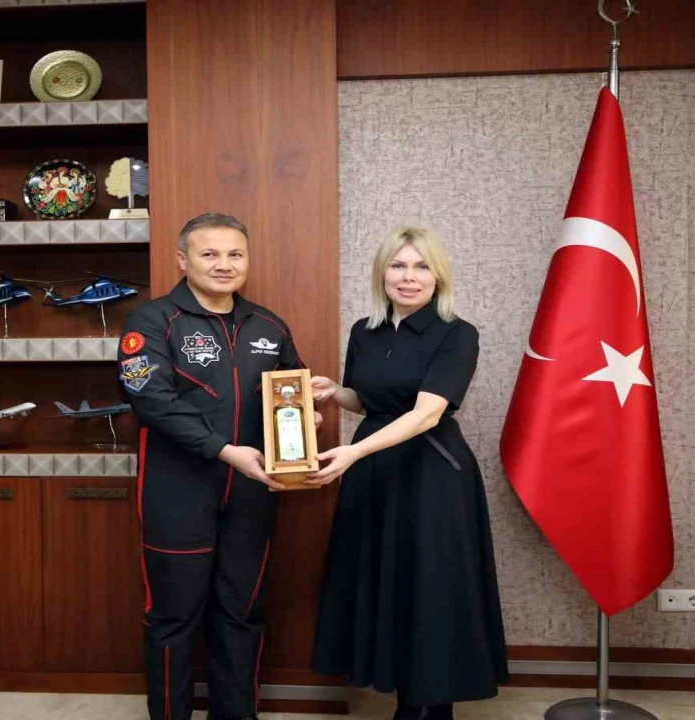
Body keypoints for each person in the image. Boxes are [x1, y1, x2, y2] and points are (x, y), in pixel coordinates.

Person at [119, 212, 315, 720]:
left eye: (235, 254)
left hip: (252, 493)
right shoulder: (151, 322)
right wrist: (225, 450)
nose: (223, 264)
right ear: (182, 260)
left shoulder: (269, 326)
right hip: (176, 492)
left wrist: (303, 421)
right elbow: (152, 400)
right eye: (209, 254)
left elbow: (289, 392)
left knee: (242, 612)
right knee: (173, 617)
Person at [307, 226, 508, 720]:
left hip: (431, 474)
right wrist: (334, 391)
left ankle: (429, 708)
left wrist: (352, 453)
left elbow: (425, 414)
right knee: (386, 585)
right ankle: (405, 699)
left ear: (438, 277)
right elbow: (368, 402)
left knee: (430, 591)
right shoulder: (364, 330)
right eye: (398, 265)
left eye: (421, 267)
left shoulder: (457, 333)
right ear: (383, 272)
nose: (409, 277)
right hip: (374, 473)